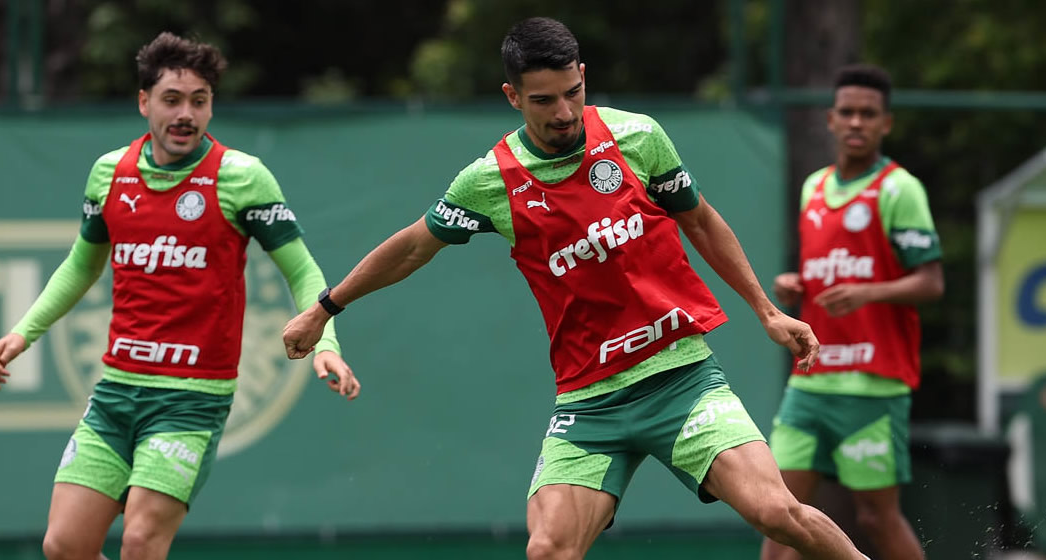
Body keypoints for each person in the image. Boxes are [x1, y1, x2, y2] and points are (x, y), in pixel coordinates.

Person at [283, 17, 868, 560]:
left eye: (572, 92)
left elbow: (702, 222)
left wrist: (766, 311)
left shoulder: (638, 138)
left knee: (777, 511)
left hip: (680, 379)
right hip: (590, 404)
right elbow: (412, 246)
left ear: (583, 76)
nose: (564, 112)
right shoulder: (490, 182)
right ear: (512, 97)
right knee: (548, 550)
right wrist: (326, 307)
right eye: (543, 100)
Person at [0, 32, 360, 560]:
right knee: (64, 545)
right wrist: (22, 334)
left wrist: (326, 343)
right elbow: (80, 266)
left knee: (140, 542)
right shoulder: (110, 173)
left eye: (199, 101)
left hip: (192, 400)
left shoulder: (241, 177)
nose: (186, 114)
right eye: (172, 99)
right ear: (144, 102)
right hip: (115, 393)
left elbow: (302, 269)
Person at [760, 64, 944, 560]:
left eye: (868, 113)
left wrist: (869, 293)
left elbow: (931, 281)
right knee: (779, 515)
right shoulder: (814, 187)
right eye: (848, 112)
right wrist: (792, 285)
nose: (856, 122)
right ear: (830, 119)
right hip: (811, 381)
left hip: (872, 384)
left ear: (886, 123)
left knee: (876, 518)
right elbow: (821, 270)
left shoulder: (898, 189)